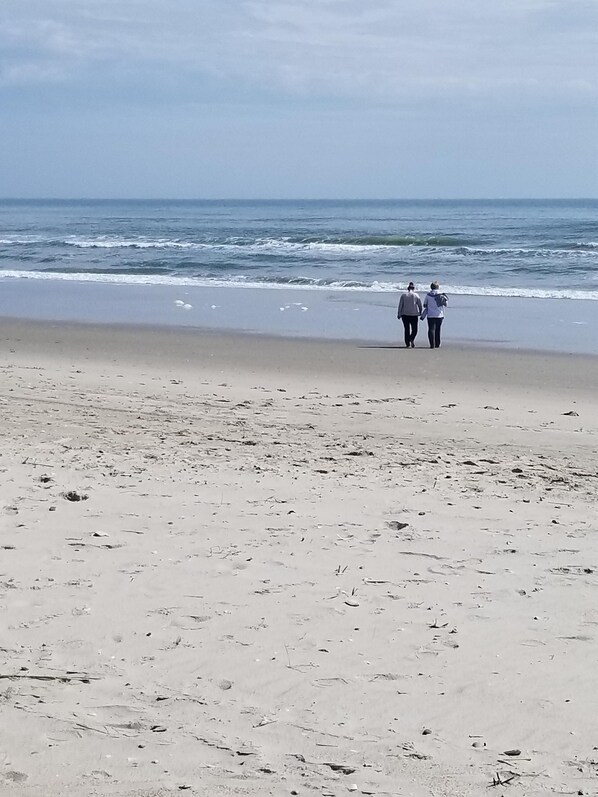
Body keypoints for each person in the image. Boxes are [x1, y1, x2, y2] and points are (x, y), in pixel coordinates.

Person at [422, 281, 448, 349]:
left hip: (430, 314)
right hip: (439, 315)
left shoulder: (428, 295)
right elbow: (446, 304)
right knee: (438, 329)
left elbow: (424, 305)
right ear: (438, 287)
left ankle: (432, 344)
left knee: (431, 329)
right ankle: (437, 343)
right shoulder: (441, 294)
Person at [397, 282, 423, 348]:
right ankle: (411, 338)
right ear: (413, 288)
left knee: (406, 329)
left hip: (405, 314)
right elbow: (420, 305)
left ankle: (407, 343)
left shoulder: (403, 295)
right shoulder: (416, 295)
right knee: (415, 329)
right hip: (414, 314)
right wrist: (420, 312)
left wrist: (399, 313)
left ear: (407, 288)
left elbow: (400, 305)